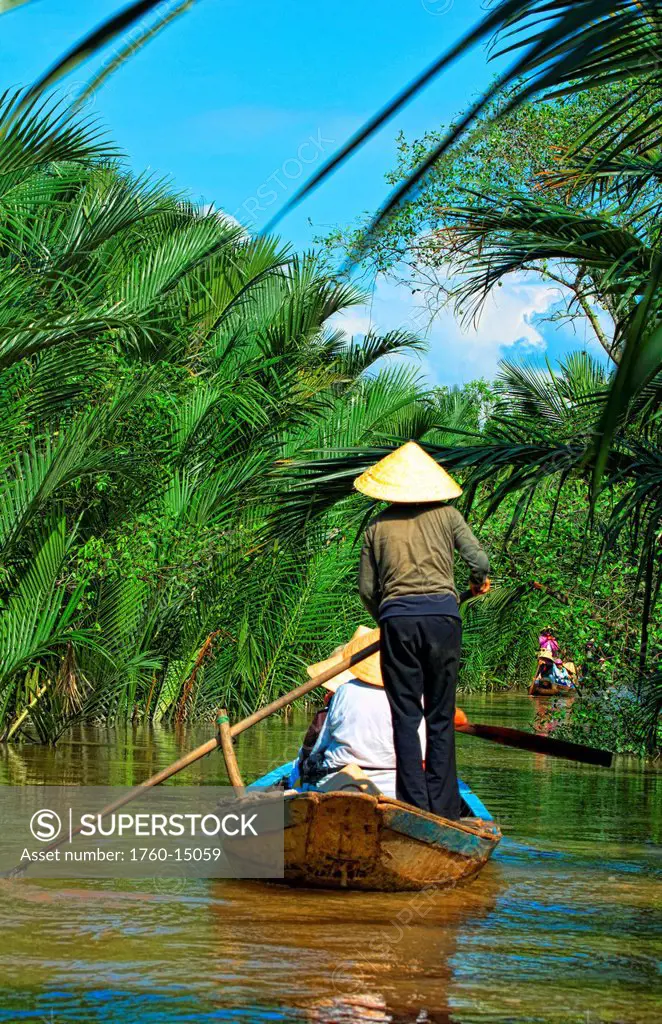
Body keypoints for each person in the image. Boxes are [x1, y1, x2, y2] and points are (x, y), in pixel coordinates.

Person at [355, 441, 490, 820]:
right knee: (441, 716)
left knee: (405, 716)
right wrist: (478, 581)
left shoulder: (376, 526)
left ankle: (413, 806)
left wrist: (385, 617)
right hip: (444, 620)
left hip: (398, 621)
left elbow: (367, 590)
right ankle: (445, 808)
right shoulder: (448, 516)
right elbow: (479, 560)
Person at [298, 626, 426, 799]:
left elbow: (318, 748)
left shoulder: (345, 691)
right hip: (396, 790)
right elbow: (423, 756)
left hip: (339, 784)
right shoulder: (418, 698)